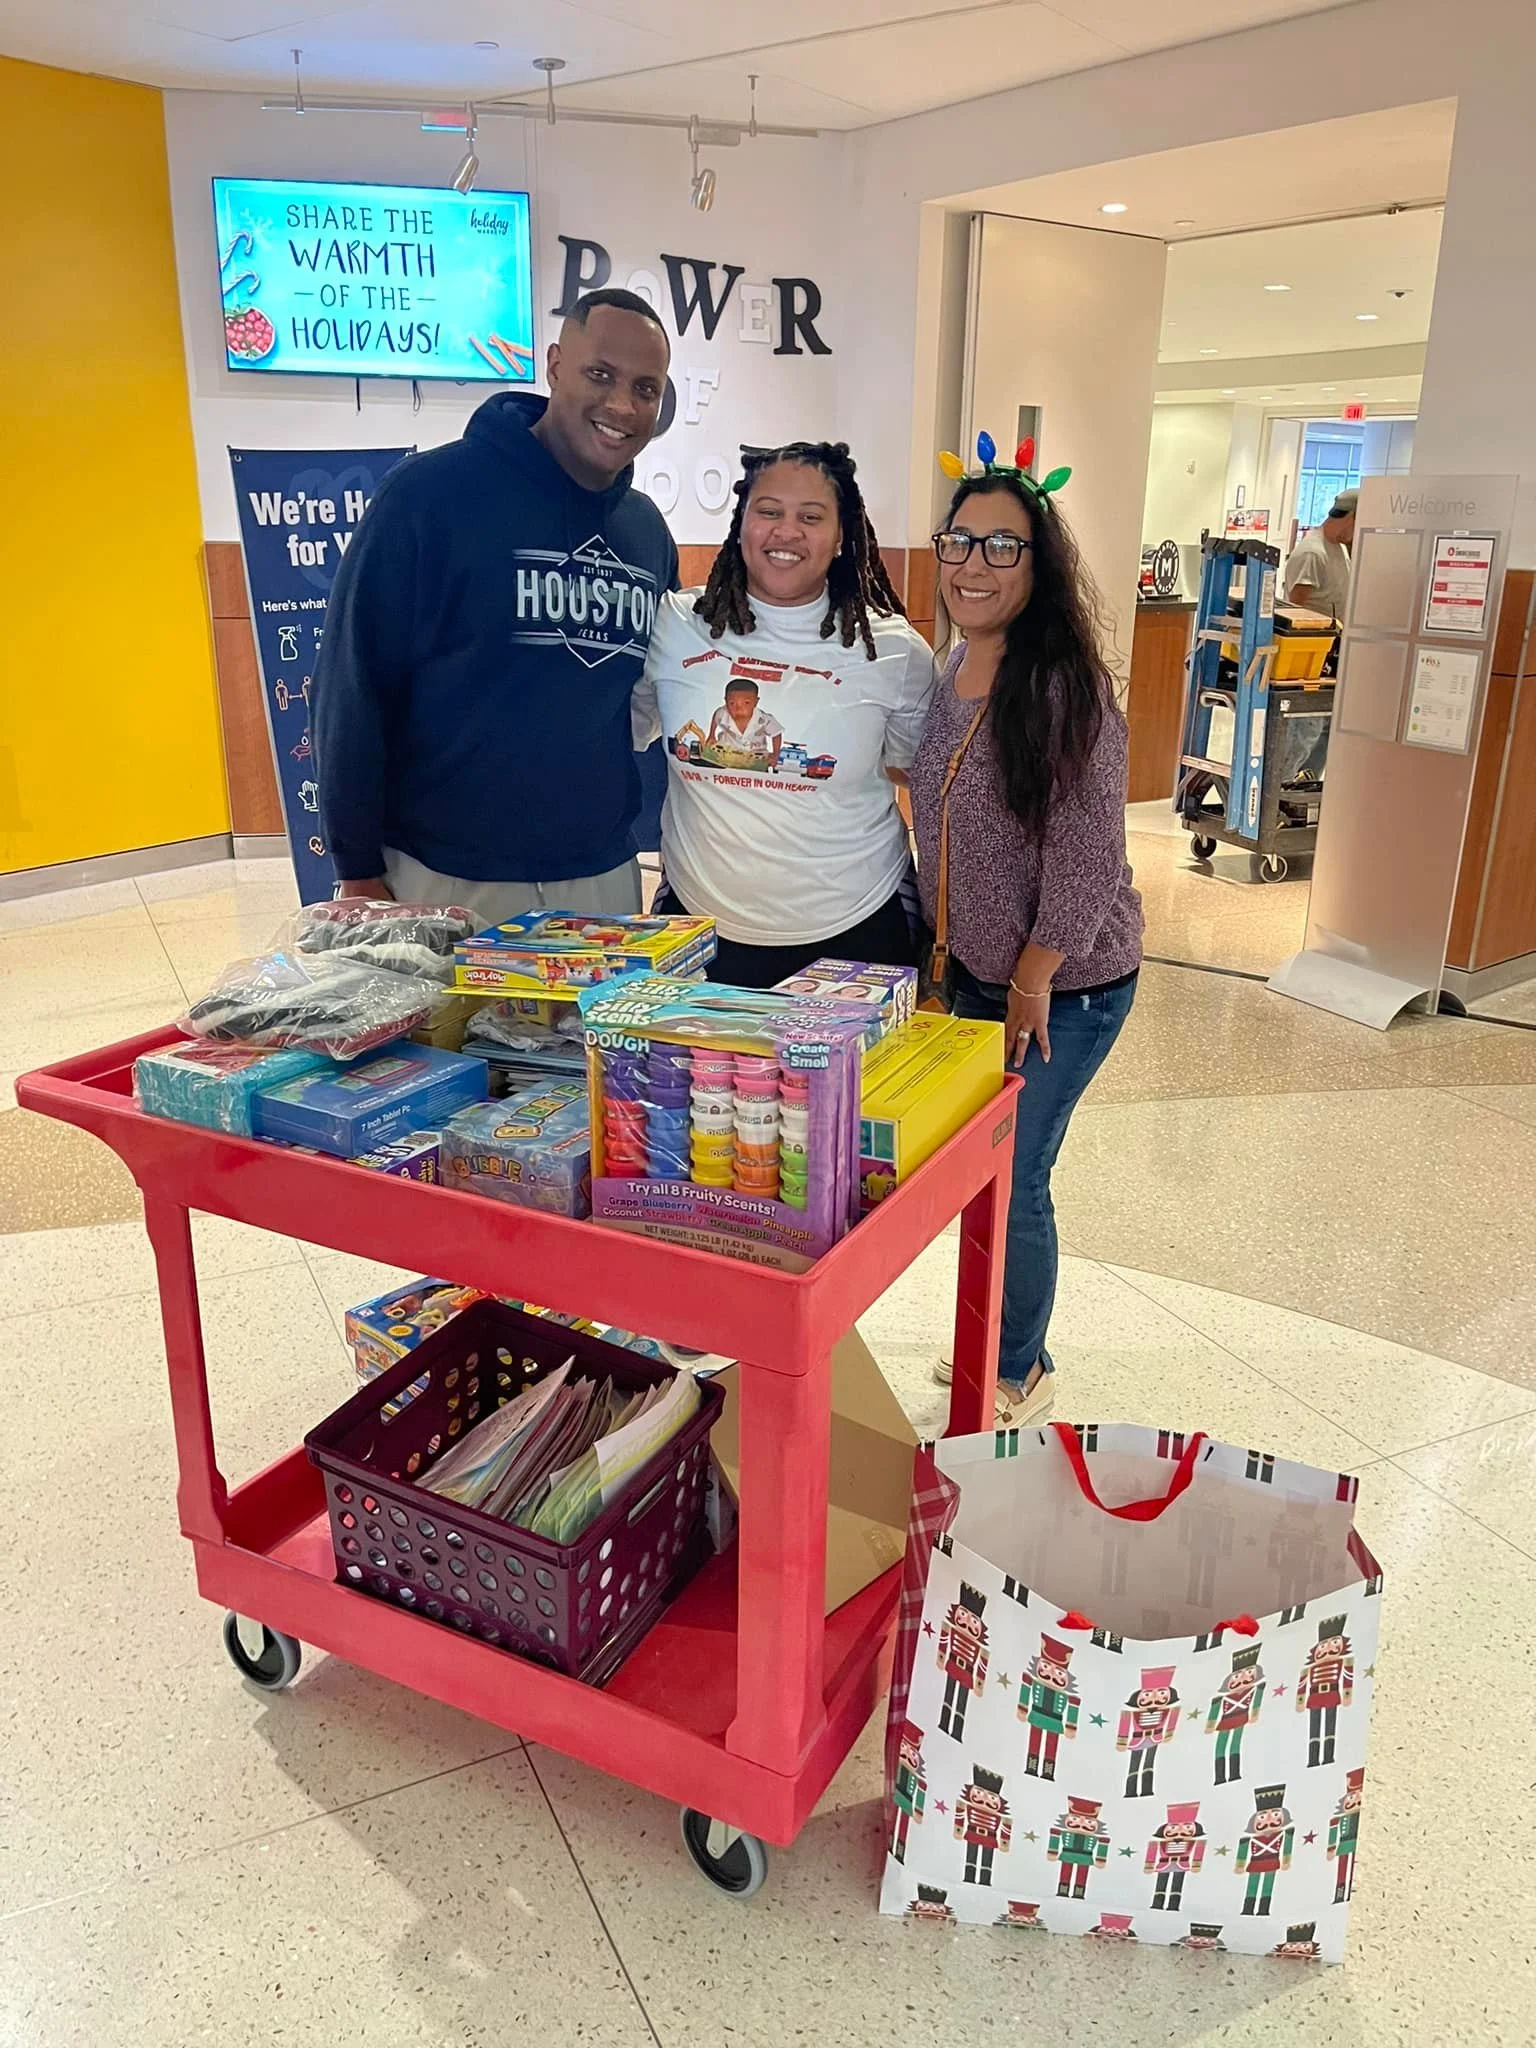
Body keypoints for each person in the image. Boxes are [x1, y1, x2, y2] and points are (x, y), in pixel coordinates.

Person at [313, 288, 676, 921]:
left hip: (601, 877)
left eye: (645, 389)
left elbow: (652, 704)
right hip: (441, 875)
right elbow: (352, 684)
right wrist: (357, 868)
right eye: (600, 374)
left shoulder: (645, 533)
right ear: (555, 366)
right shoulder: (427, 498)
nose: (622, 405)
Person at [908, 454, 1143, 1426]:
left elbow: (1088, 860)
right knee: (979, 1170)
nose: (974, 563)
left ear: (1037, 564)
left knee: (1017, 1173)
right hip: (976, 972)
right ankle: (995, 1336)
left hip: (1067, 985)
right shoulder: (950, 666)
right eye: (959, 541)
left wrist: (1032, 980)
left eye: (1002, 545)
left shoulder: (1064, 689)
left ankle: (1018, 1364)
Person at [633, 440, 934, 988]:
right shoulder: (676, 625)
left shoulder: (893, 651)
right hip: (699, 930)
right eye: (769, 511)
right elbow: (623, 729)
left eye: (811, 517)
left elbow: (920, 775)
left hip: (858, 927)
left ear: (842, 536)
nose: (786, 531)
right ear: (741, 524)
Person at [1283, 488, 1356, 618]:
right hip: (1315, 631)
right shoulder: (1312, 553)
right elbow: (1294, 610)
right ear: (1351, 518)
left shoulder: (1339, 547)